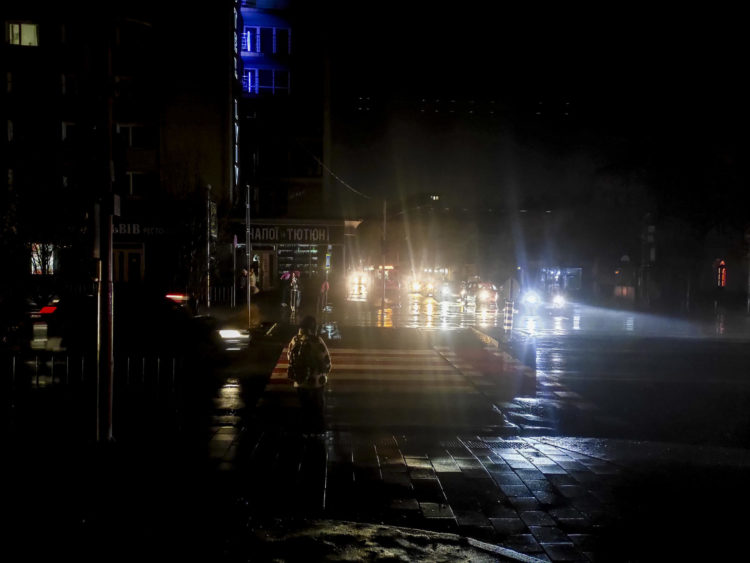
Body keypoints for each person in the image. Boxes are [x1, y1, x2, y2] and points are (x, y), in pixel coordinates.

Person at [287, 315, 331, 432]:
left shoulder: (294, 339)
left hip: (300, 381)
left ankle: (305, 431)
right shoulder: (316, 340)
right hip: (316, 382)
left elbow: (289, 357)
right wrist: (324, 372)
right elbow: (326, 360)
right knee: (317, 408)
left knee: (305, 408)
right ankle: (317, 432)